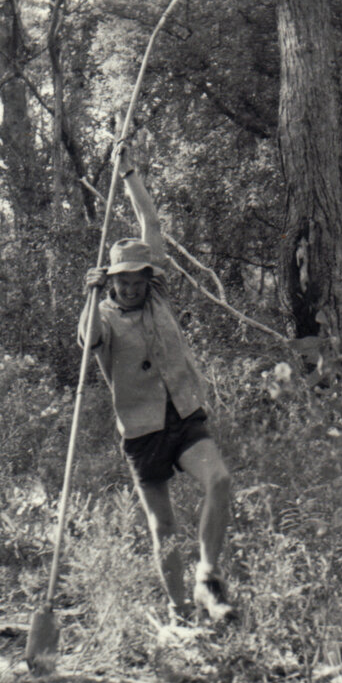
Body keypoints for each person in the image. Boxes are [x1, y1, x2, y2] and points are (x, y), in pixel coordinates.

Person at [79, 158, 235, 625]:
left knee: (220, 481)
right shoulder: (102, 315)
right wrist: (89, 297)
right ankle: (180, 613)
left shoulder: (160, 294)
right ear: (111, 281)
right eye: (120, 282)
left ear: (149, 277)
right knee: (163, 526)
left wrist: (128, 173)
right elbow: (87, 343)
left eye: (136, 280)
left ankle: (208, 577)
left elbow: (149, 221)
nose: (129, 289)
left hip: (184, 414)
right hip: (142, 430)